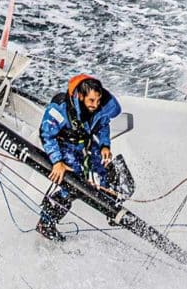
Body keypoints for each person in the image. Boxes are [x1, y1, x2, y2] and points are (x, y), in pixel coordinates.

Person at [35, 74, 122, 241]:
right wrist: (57, 162)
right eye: (91, 101)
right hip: (63, 146)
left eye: (97, 101)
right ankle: (45, 222)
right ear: (80, 96)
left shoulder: (98, 107)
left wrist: (105, 146)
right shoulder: (60, 108)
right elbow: (46, 134)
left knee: (107, 169)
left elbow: (103, 125)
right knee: (73, 183)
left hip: (85, 143)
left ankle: (111, 208)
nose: (95, 105)